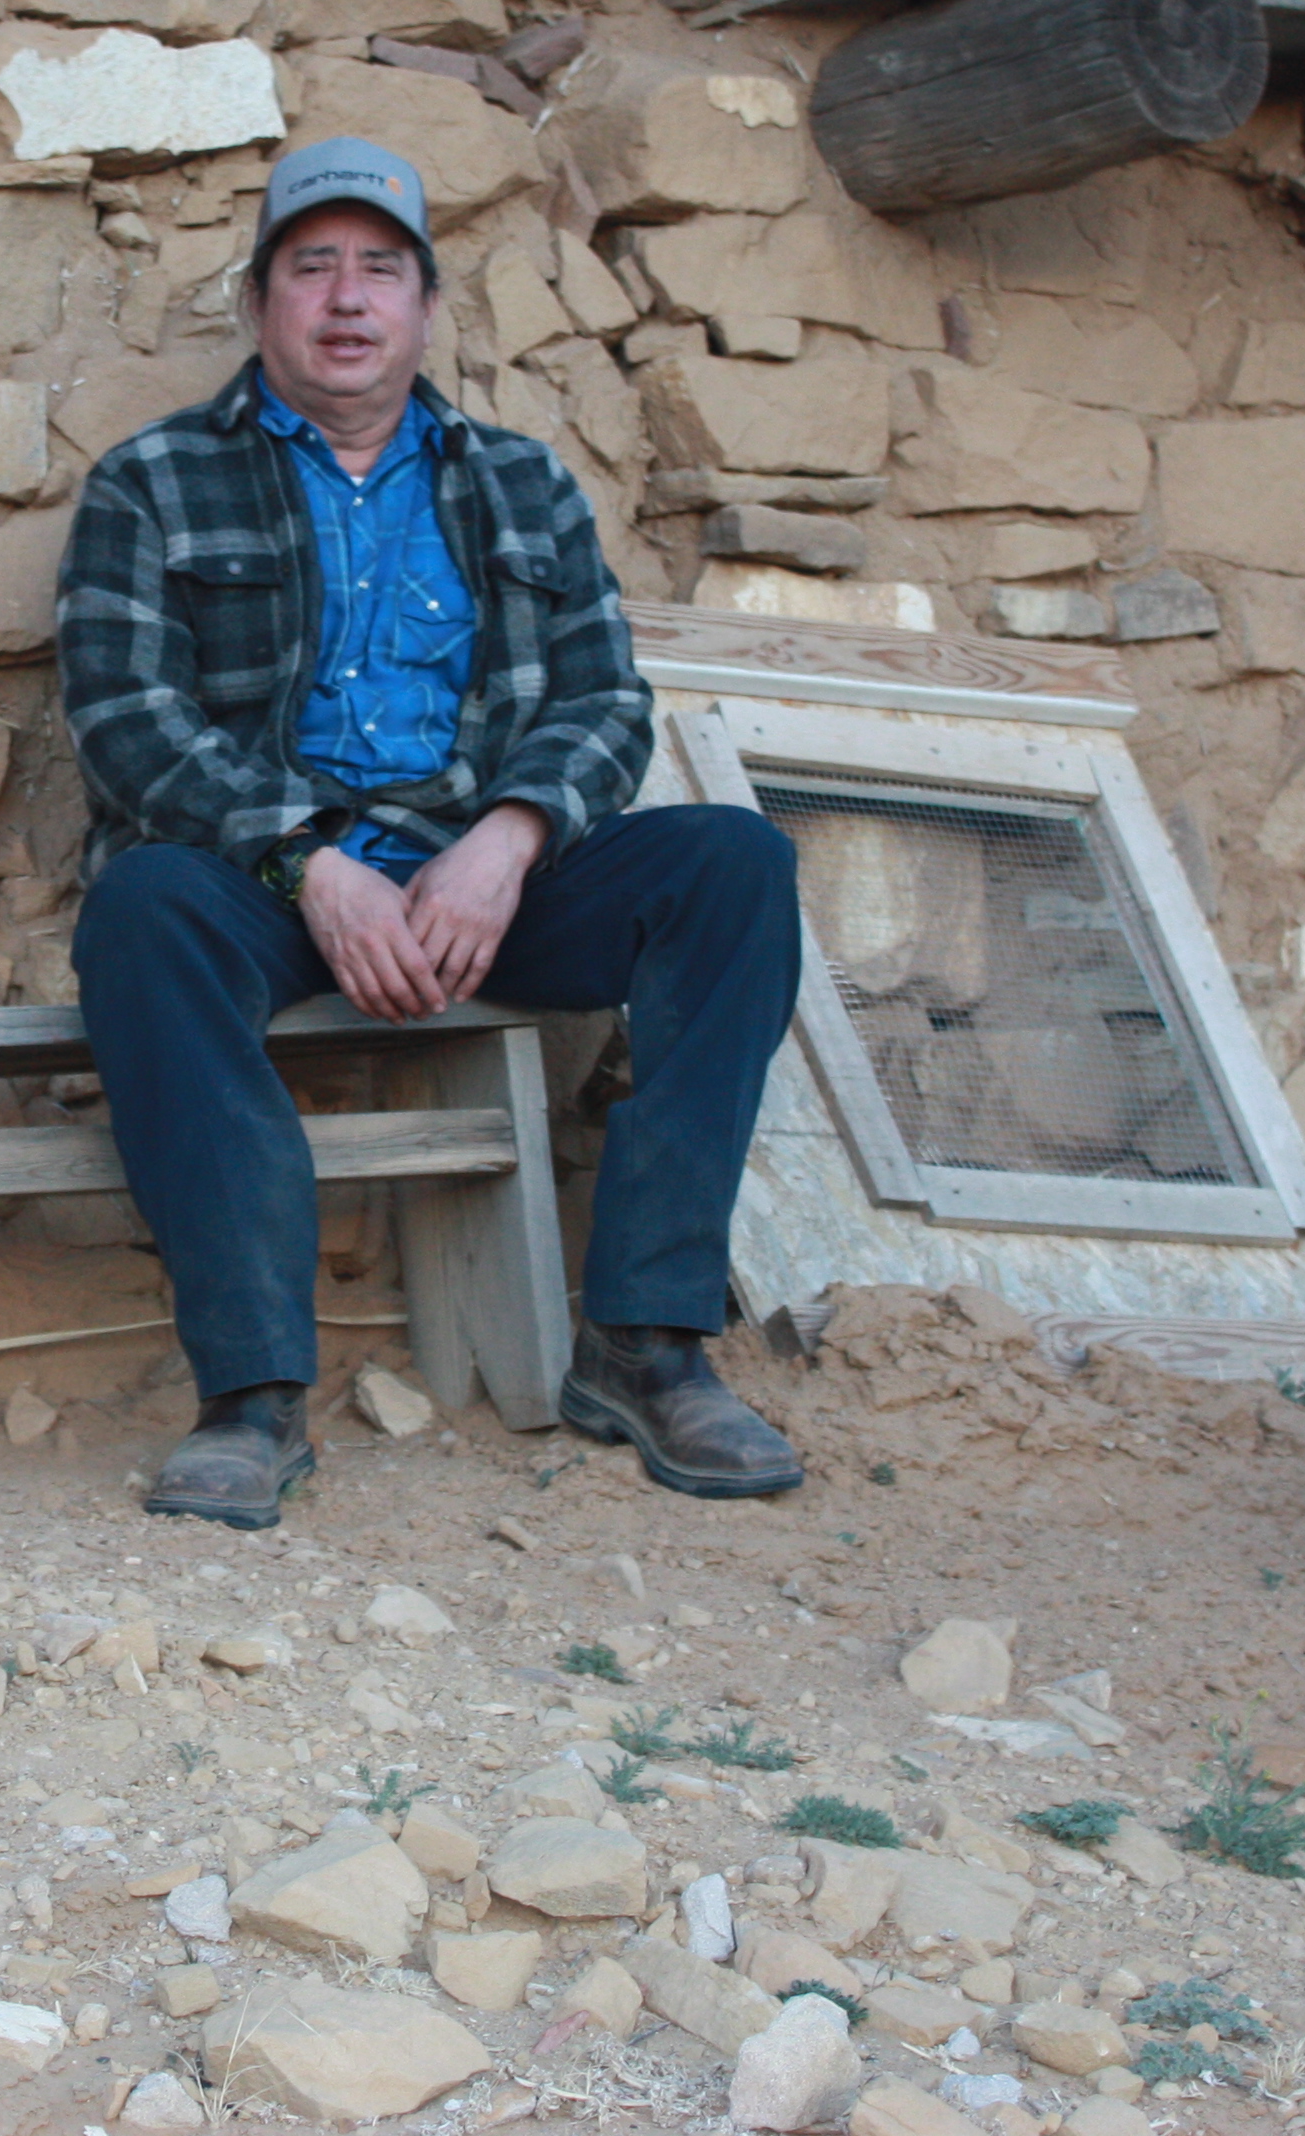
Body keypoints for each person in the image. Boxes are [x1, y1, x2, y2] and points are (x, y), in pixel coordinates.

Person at [54, 133, 813, 1531]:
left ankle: (647, 1346)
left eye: (380, 270)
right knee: (143, 911)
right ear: (259, 302)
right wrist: (310, 863)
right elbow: (126, 722)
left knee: (733, 868)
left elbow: (604, 703)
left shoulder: (523, 483)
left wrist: (509, 838)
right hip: (269, 886)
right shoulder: (152, 481)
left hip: (487, 885)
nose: (347, 298)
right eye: (312, 267)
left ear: (426, 306)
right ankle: (252, 1396)